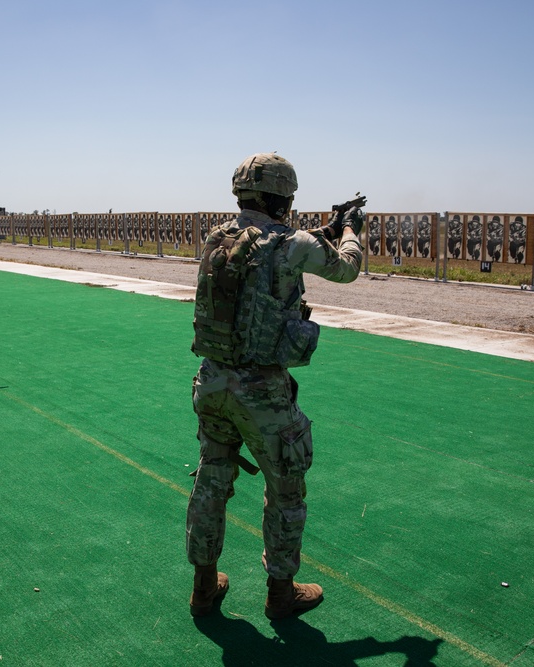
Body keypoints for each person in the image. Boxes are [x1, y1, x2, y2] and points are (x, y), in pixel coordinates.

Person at [186, 153, 363, 620]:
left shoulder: (217, 237)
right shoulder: (294, 242)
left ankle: (204, 587)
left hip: (212, 379)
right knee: (286, 490)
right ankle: (281, 593)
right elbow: (346, 268)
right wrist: (349, 231)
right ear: (284, 197)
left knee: (212, 479)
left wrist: (316, 234)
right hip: (261, 390)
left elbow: (262, 267)